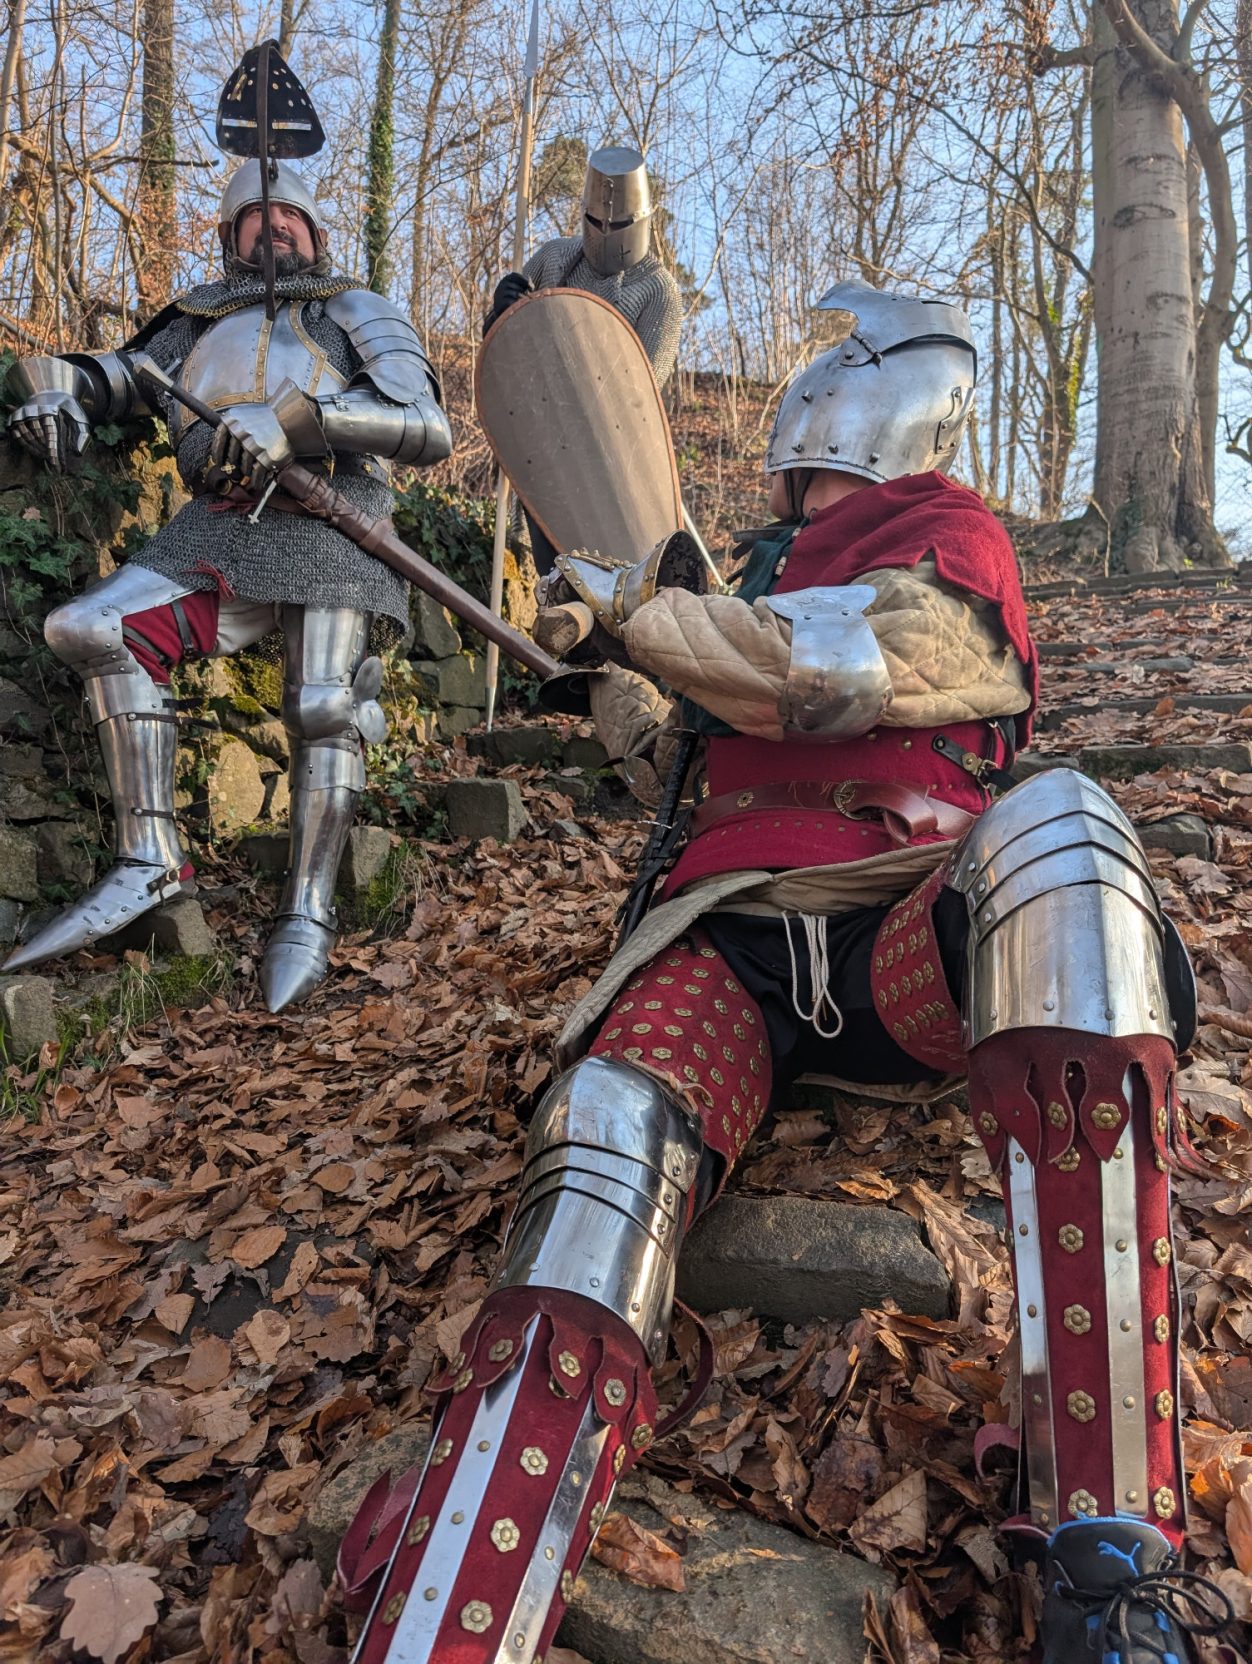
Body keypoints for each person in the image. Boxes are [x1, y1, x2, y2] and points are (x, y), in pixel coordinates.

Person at [337, 281, 1231, 1664]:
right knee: (607, 1128)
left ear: (852, 428)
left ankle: (1114, 1559)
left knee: (1066, 844)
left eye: (793, 467)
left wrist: (649, 612)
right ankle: (456, 1599)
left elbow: (834, 672)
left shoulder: (947, 549)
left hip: (902, 936)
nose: (776, 487)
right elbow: (689, 754)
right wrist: (618, 676)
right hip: (732, 944)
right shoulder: (744, 586)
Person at [3, 160, 452, 1010]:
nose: (273, 225)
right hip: (217, 524)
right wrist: (49, 394)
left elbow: (427, 427)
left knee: (322, 706)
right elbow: (97, 375)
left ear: (314, 231)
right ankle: (149, 858)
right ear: (229, 235)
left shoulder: (354, 309)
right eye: (255, 215)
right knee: (89, 627)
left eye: (288, 215)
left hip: (331, 516)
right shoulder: (193, 325)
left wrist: (296, 420)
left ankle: (307, 910)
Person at [483, 144, 683, 575]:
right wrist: (501, 312)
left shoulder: (658, 291)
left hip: (610, 465)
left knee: (607, 583)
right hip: (543, 447)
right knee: (554, 583)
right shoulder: (555, 258)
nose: (607, 231)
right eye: (597, 221)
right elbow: (505, 355)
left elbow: (641, 393)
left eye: (620, 224)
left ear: (642, 219)